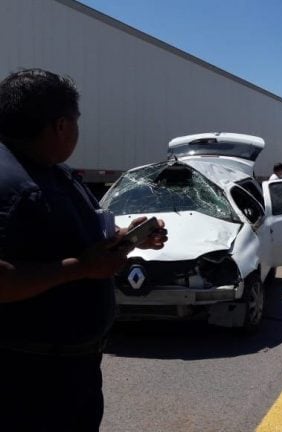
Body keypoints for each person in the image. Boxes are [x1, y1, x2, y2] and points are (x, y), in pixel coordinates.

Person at [0, 69, 167, 431]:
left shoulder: (54, 172)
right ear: (61, 125)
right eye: (76, 122)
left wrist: (129, 234)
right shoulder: (11, 184)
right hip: (29, 380)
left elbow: (77, 234)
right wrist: (81, 268)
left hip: (71, 370)